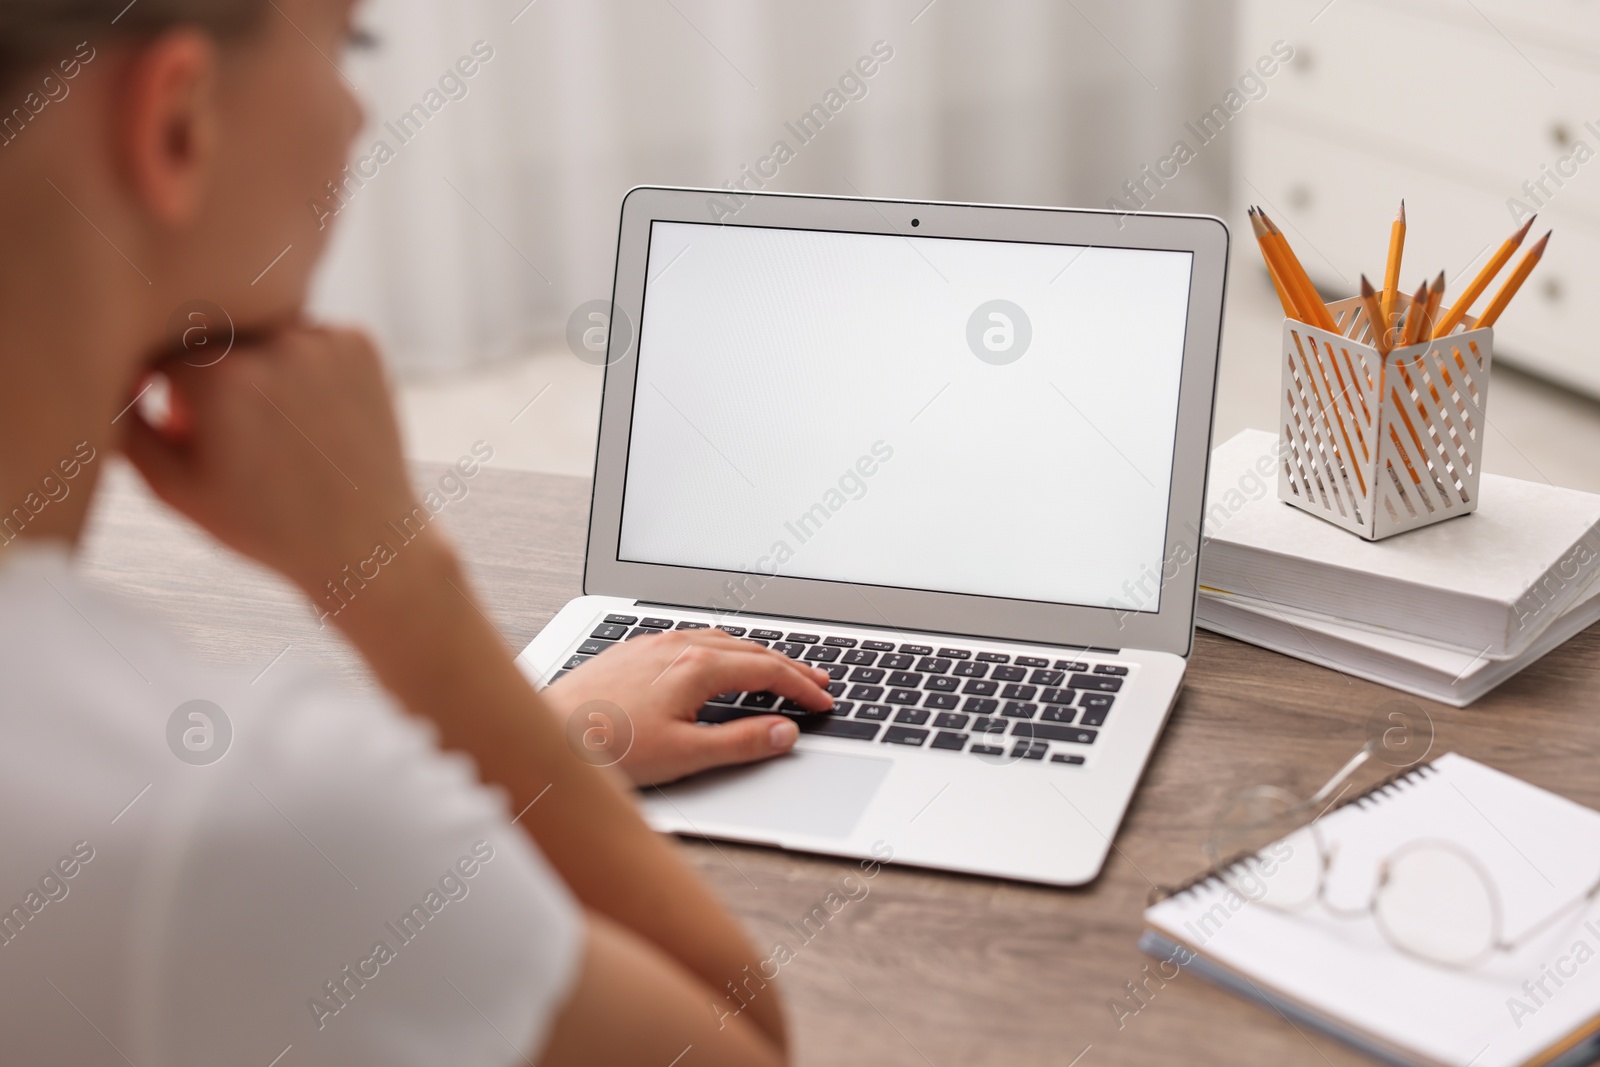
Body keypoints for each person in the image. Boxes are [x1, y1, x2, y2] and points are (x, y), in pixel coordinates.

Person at [0, 1, 837, 1063]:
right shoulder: (226, 826)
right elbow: (734, 1044)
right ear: (177, 122)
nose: (357, 117)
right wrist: (398, 581)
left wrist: (540, 749)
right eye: (349, 45)